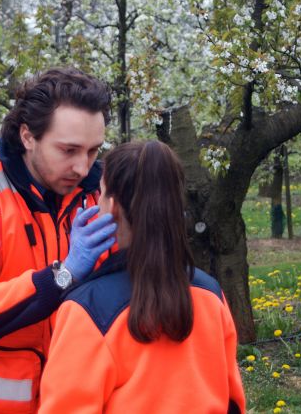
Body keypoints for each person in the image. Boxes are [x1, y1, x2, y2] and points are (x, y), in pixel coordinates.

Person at [0, 68, 117, 413]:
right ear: (28, 136)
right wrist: (63, 276)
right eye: (68, 150)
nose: (81, 167)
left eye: (93, 151)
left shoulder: (101, 193)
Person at [39, 141, 246, 413]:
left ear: (111, 207)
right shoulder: (211, 293)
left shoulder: (86, 310)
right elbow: (232, 401)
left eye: (100, 192)